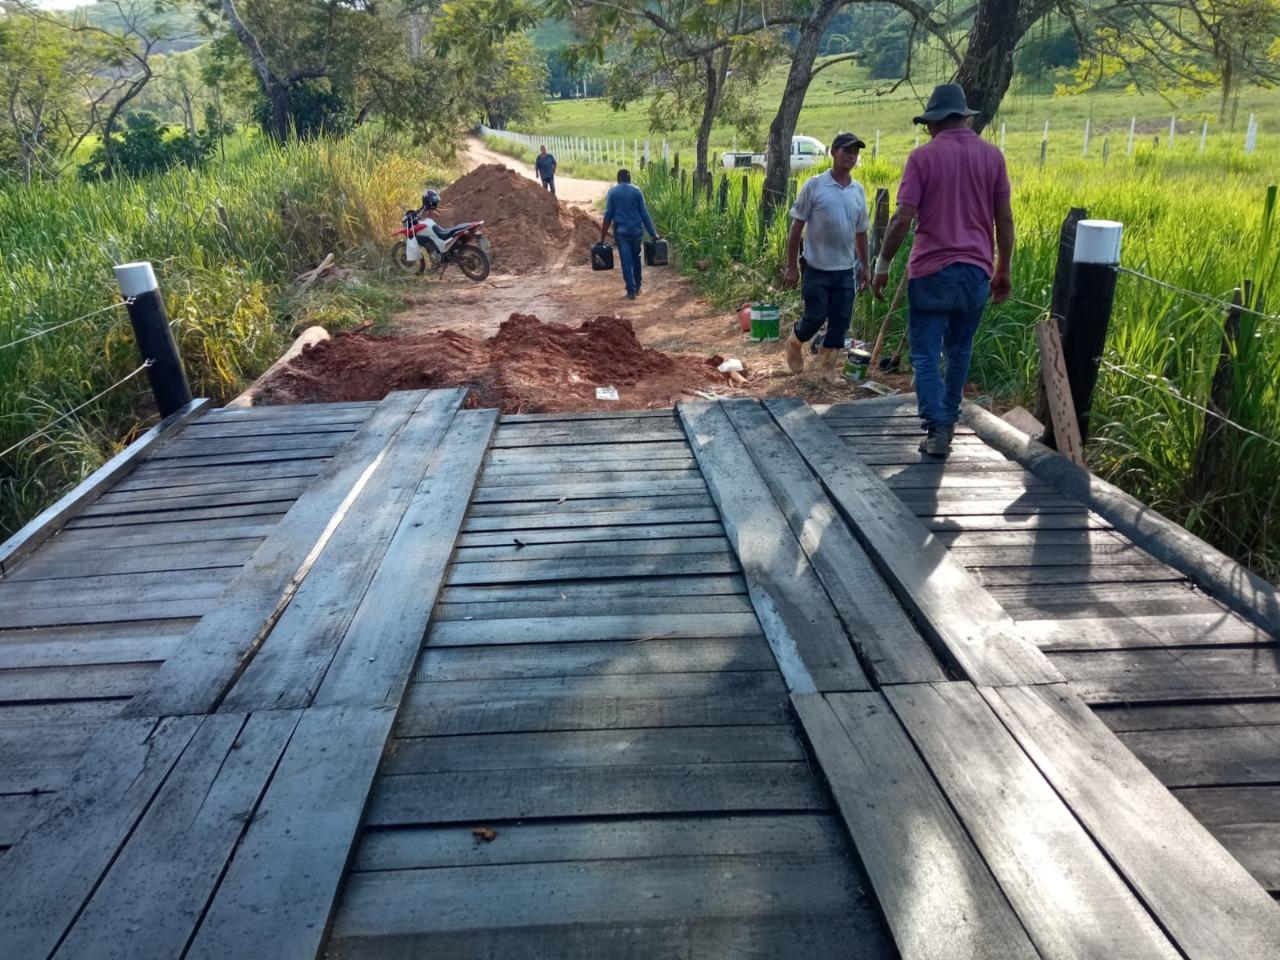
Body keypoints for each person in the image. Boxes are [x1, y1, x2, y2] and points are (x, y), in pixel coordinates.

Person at [872, 83, 1014, 457]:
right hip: (976, 272)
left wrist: (882, 264)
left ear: (933, 123)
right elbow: (1004, 218)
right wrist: (1003, 268)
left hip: (931, 272)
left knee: (924, 353)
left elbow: (902, 217)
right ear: (965, 118)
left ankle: (936, 427)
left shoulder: (923, 158)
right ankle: (948, 419)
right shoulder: (993, 157)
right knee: (959, 350)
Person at [782, 132, 871, 383]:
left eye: (855, 152)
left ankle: (828, 367)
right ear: (833, 152)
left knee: (841, 320)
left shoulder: (857, 191)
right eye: (846, 150)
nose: (851, 156)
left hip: (845, 269)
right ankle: (795, 341)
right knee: (815, 316)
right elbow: (796, 227)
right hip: (816, 267)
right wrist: (791, 266)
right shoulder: (815, 185)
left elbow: (861, 232)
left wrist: (865, 266)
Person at [600, 169, 659, 300]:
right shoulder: (637, 191)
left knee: (626, 261)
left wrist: (602, 238)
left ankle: (631, 290)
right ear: (629, 179)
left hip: (622, 233)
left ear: (618, 179)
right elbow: (644, 214)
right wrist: (653, 234)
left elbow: (608, 216)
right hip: (636, 232)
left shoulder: (613, 192)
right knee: (636, 258)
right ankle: (638, 287)